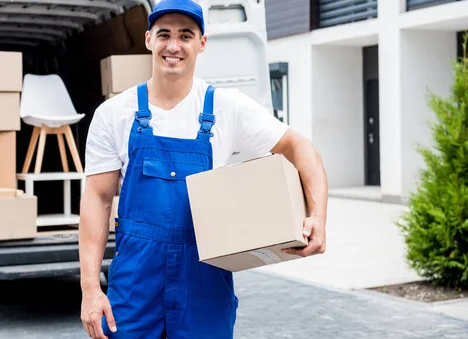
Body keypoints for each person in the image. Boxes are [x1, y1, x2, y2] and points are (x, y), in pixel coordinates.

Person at [78, 0, 328, 337]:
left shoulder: (228, 107)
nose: (174, 45)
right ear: (149, 39)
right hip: (136, 276)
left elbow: (302, 149)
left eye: (186, 35)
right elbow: (97, 198)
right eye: (164, 34)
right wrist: (90, 288)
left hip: (204, 275)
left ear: (202, 43)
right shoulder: (114, 113)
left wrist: (318, 217)